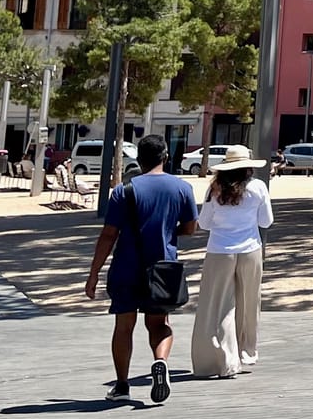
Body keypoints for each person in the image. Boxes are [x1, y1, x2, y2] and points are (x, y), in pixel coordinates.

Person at [84, 134, 197, 403]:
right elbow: (191, 228)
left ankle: (122, 385)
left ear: (139, 159)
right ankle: (161, 362)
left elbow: (109, 235)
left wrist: (93, 273)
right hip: (162, 268)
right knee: (159, 324)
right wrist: (168, 231)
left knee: (124, 326)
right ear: (165, 156)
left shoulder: (124, 191)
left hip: (126, 266)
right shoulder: (182, 188)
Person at [190, 146, 273, 380]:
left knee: (217, 306)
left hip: (219, 251)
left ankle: (220, 358)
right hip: (250, 250)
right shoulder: (258, 187)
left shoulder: (214, 189)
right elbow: (266, 221)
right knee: (248, 303)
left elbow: (204, 224)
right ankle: (246, 352)